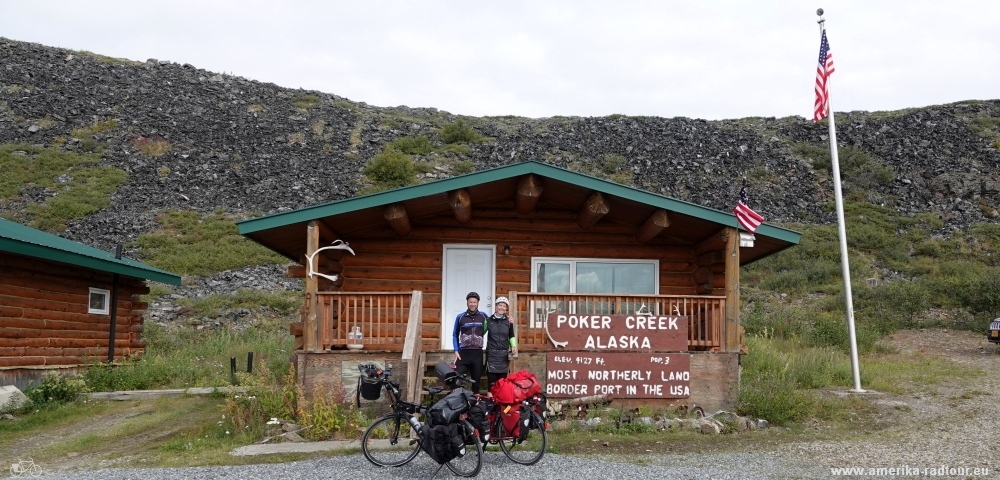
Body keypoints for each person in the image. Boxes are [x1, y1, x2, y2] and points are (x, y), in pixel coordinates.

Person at [452, 291, 487, 393]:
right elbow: (455, 334)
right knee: (456, 380)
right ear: (467, 303)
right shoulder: (460, 317)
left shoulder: (484, 316)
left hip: (477, 354)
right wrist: (456, 350)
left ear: (478, 303)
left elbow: (495, 323)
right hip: (463, 354)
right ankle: (458, 404)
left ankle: (475, 406)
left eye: (474, 302)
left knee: (476, 384)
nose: (472, 304)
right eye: (470, 302)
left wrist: (508, 320)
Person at [484, 296, 517, 391]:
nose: (501, 308)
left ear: (506, 308)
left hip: (503, 355)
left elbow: (511, 335)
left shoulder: (508, 321)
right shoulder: (488, 320)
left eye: (504, 306)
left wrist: (513, 346)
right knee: (492, 385)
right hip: (492, 354)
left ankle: (500, 405)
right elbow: (480, 333)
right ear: (495, 306)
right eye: (500, 305)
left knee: (502, 384)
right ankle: (491, 404)